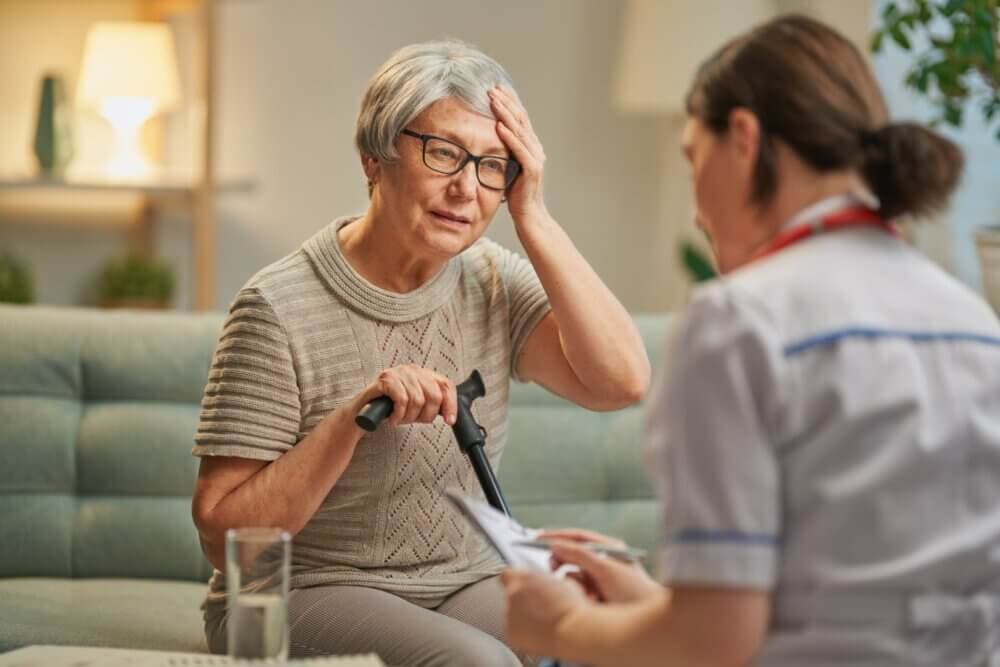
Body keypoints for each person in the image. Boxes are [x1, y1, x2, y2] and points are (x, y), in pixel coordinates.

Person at [501, 14, 1000, 667]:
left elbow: (711, 645)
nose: (697, 208)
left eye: (691, 157)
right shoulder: (973, 319)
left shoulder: (740, 321)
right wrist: (656, 602)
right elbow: (852, 604)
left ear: (743, 137)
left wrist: (562, 626)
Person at [189, 39, 650, 666]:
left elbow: (620, 382)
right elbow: (224, 541)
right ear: (374, 157)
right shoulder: (275, 306)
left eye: (494, 165)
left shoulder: (493, 280)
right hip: (306, 589)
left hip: (461, 581)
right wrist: (352, 420)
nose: (467, 188)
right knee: (479, 664)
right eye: (444, 153)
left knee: (606, 639)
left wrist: (534, 214)